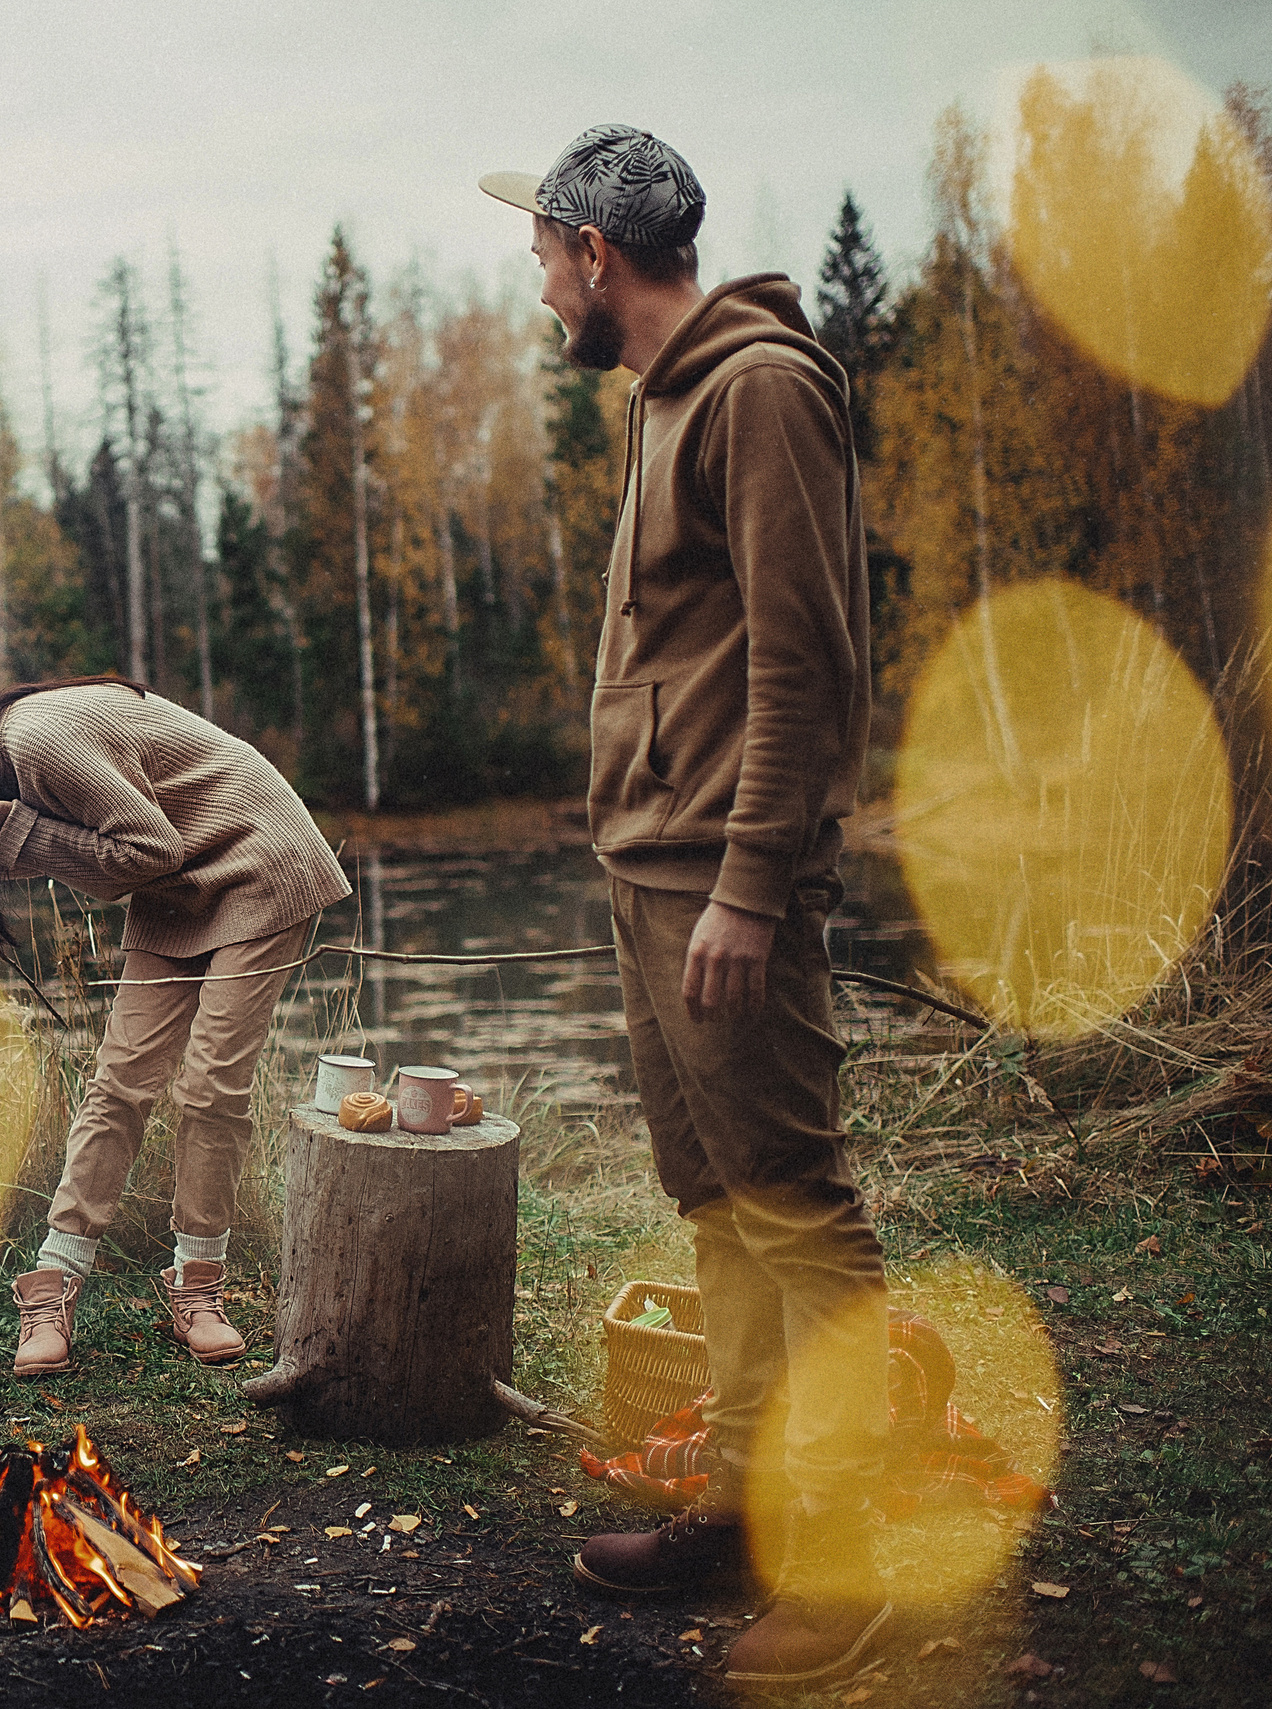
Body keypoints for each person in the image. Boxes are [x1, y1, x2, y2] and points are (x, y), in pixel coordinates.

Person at [480, 126, 889, 1691]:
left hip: (726, 887)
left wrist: (749, 885)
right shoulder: (664, 401)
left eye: (541, 260)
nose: (535, 290)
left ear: (598, 255)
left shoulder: (762, 389)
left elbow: (807, 662)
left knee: (797, 1204)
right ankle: (741, 1499)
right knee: (717, 1203)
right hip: (651, 871)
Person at [0, 677, 349, 1378]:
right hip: (180, 880)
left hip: (259, 858)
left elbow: (146, 847)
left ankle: (198, 1286)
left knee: (210, 1085)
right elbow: (116, 851)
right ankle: (54, 1281)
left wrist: (12, 831)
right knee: (120, 1080)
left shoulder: (35, 741)